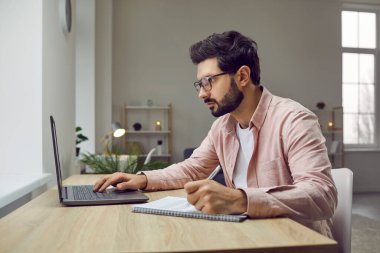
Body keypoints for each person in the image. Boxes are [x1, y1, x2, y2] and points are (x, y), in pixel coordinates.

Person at [93, 31, 337, 238]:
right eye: (200, 84)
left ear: (242, 76)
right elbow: (193, 169)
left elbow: (322, 195)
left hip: (297, 241)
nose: (202, 94)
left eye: (208, 81)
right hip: (250, 235)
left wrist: (240, 200)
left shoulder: (293, 119)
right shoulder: (223, 126)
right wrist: (142, 179)